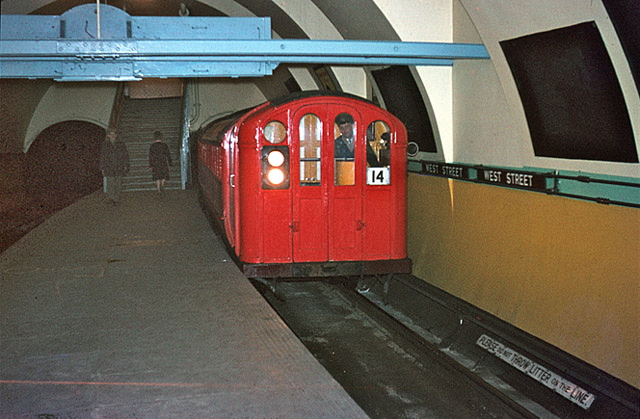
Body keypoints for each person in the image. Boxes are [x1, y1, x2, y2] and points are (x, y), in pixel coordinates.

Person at [99, 129, 129, 205]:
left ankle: (116, 198)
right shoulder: (105, 145)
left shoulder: (121, 144)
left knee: (118, 183)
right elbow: (103, 156)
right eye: (111, 134)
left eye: (114, 134)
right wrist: (102, 167)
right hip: (109, 167)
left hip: (119, 166)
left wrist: (126, 165)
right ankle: (111, 198)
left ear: (116, 135)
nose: (113, 136)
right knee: (110, 183)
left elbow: (125, 155)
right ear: (108, 135)